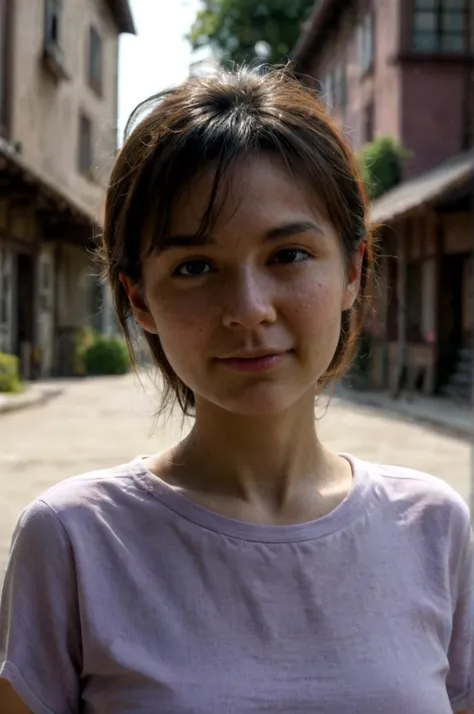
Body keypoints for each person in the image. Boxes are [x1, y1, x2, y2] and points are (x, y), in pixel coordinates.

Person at [0, 66, 472, 714]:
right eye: (195, 268)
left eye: (289, 256)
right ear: (139, 298)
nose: (248, 309)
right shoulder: (75, 542)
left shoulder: (435, 529)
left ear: (354, 270)